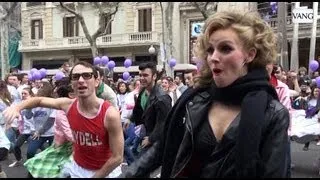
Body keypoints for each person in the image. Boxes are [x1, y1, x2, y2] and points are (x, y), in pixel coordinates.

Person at [123, 11, 290, 178]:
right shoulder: (194, 99)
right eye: (210, 50)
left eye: (226, 48)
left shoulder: (273, 114)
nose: (214, 57)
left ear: (250, 54)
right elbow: (162, 149)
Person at [3, 61, 124, 178]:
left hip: (105, 172)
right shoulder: (68, 105)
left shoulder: (110, 114)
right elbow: (39, 100)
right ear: (72, 83)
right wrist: (17, 107)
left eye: (87, 75)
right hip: (78, 168)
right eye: (76, 77)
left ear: (97, 81)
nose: (81, 80)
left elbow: (118, 157)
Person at [127, 62, 172, 160]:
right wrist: (130, 119)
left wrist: (151, 139)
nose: (142, 78)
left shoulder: (162, 98)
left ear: (154, 76)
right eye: (140, 75)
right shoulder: (143, 91)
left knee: (140, 168)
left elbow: (163, 123)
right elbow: (138, 109)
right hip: (144, 134)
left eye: (146, 75)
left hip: (157, 140)